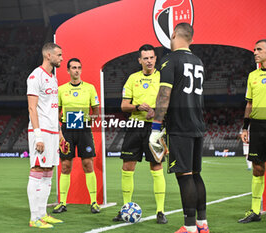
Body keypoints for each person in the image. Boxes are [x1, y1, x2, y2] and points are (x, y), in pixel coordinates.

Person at [148, 23, 209, 233]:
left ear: (173, 34)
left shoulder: (170, 60)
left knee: (184, 176)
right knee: (196, 174)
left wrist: (156, 128)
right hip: (197, 122)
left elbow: (164, 95)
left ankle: (190, 227)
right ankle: (202, 224)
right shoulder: (198, 61)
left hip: (181, 125)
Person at [113, 44, 168, 224]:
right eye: (145, 58)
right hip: (135, 125)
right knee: (127, 167)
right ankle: (125, 208)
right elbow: (123, 105)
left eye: (152, 57)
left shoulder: (162, 77)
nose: (149, 61)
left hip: (155, 128)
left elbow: (168, 102)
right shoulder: (132, 79)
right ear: (140, 60)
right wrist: (137, 107)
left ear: (155, 59)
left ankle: (161, 211)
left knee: (156, 167)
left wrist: (156, 111)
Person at [53, 58, 100, 214]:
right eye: (73, 67)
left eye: (79, 67)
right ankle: (62, 202)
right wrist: (63, 120)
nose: (76, 70)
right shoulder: (61, 90)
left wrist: (87, 120)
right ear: (68, 70)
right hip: (67, 131)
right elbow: (56, 111)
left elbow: (96, 111)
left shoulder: (90, 88)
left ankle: (93, 202)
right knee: (65, 165)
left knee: (88, 163)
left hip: (84, 131)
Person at [26, 42, 64, 229]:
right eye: (59, 55)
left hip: (52, 131)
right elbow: (32, 108)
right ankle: (34, 218)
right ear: (48, 55)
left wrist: (59, 133)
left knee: (48, 172)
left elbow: (53, 109)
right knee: (38, 171)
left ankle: (42, 214)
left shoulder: (53, 78)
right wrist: (38, 136)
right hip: (40, 131)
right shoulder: (35, 76)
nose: (61, 58)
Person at [238, 39, 266, 224]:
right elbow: (249, 103)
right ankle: (255, 211)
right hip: (258, 126)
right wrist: (245, 127)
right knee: (258, 168)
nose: (255, 52)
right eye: (254, 49)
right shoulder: (253, 75)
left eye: (259, 49)